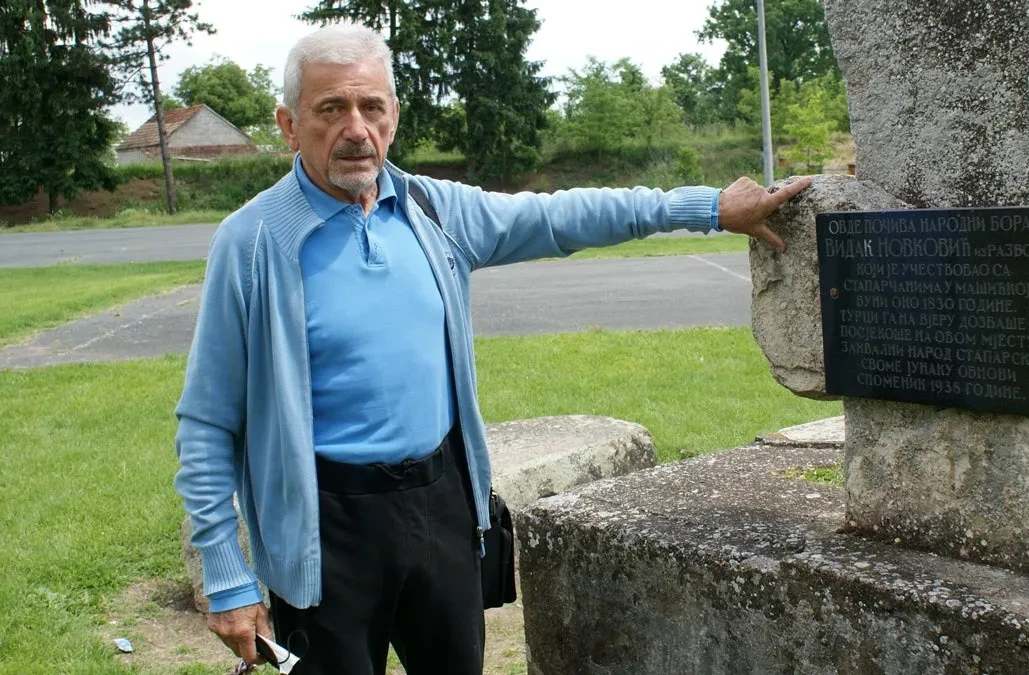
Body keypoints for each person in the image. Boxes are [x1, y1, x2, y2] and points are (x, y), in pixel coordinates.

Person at [174, 23, 812, 675]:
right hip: (323, 527)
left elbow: (564, 216)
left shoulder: (434, 212)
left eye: (372, 107)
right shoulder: (251, 241)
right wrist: (227, 575)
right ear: (288, 124)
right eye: (331, 109)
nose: (356, 129)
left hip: (441, 504)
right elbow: (205, 422)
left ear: (394, 115)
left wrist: (708, 207)